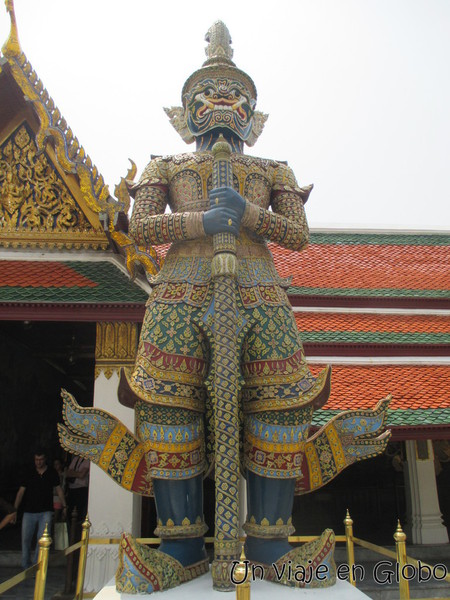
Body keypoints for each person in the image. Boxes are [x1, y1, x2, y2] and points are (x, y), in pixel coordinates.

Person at [59, 20, 390, 593]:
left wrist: (247, 213)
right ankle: (182, 545)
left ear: (252, 114)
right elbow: (139, 228)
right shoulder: (167, 167)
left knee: (280, 409)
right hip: (180, 294)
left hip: (260, 293)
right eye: (207, 93)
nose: (222, 100)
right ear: (187, 111)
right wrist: (201, 222)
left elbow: (298, 237)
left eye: (236, 94)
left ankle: (267, 545)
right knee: (168, 411)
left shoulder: (272, 170)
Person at [14, 450, 67, 568]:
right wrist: (15, 509)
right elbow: (21, 492)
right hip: (29, 511)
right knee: (26, 539)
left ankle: (36, 564)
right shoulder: (29, 472)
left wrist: (64, 505)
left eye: (41, 460)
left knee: (42, 538)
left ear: (45, 459)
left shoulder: (51, 472)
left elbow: (58, 489)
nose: (38, 462)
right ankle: (25, 564)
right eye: (36, 460)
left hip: (46, 511)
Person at [65, 455, 89, 523]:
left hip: (81, 488)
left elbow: (82, 475)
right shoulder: (76, 459)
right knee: (70, 510)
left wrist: (73, 473)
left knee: (79, 511)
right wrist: (77, 474)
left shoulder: (88, 460)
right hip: (71, 487)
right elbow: (68, 473)